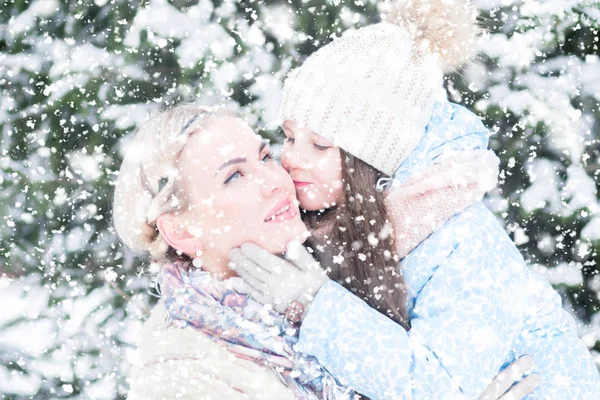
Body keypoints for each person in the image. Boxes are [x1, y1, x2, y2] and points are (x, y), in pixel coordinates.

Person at [228, 0, 600, 399]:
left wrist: (316, 306)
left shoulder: (464, 240)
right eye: (289, 136)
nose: (292, 158)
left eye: (319, 144)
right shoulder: (328, 221)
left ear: (373, 160)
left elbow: (438, 386)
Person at [113, 105, 538, 399]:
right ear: (181, 231)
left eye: (264, 155)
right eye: (234, 177)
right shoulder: (183, 379)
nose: (275, 180)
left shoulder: (330, 281)